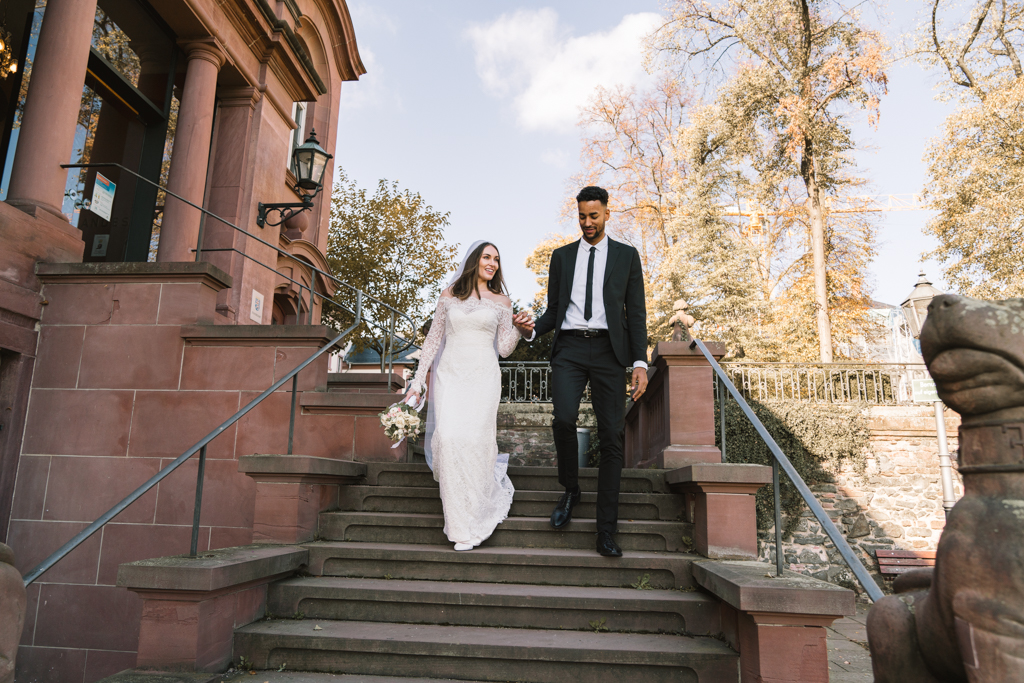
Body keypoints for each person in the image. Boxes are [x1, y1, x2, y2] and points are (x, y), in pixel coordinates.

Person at [530, 186, 649, 557]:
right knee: (563, 419)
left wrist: (640, 363)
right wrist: (531, 329)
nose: (587, 223)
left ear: (607, 214)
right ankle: (571, 488)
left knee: (612, 436)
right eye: (582, 216)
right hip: (569, 347)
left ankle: (606, 530)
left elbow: (636, 312)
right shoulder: (562, 257)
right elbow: (553, 309)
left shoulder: (627, 256)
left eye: (593, 216)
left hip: (609, 351)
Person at [405, 242, 535, 551]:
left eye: (497, 259)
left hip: (484, 378)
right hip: (450, 376)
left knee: (475, 443)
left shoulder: (503, 301)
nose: (492, 263)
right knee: (449, 439)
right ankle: (459, 523)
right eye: (487, 257)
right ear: (475, 261)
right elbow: (433, 339)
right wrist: (417, 382)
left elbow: (504, 348)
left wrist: (518, 329)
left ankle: (474, 518)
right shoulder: (449, 296)